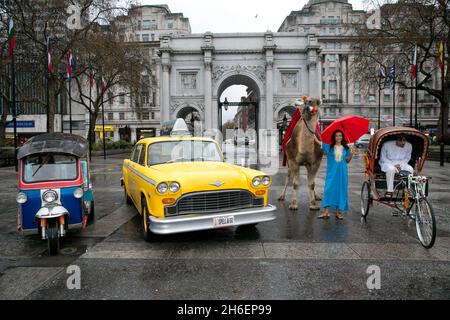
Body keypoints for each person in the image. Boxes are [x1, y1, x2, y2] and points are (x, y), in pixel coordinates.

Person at [314, 130, 356, 220]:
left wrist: (351, 154)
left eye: (340, 136)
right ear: (334, 137)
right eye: (336, 136)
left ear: (342, 137)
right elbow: (318, 142)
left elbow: (347, 161)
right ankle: (326, 212)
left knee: (340, 191)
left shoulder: (346, 148)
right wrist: (312, 133)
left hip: (342, 174)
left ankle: (338, 212)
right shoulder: (329, 147)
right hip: (331, 173)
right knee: (328, 190)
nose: (338, 137)